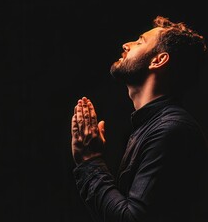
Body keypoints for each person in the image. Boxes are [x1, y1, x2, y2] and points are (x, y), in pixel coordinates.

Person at [70, 16, 208, 222]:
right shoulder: (151, 128)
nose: (126, 45)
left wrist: (90, 161)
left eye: (140, 41)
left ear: (158, 60)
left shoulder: (171, 130)